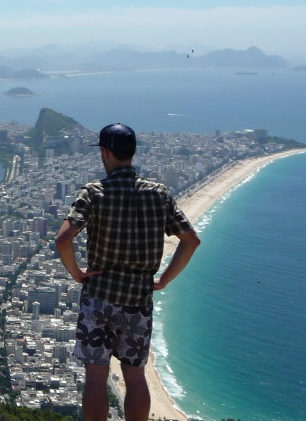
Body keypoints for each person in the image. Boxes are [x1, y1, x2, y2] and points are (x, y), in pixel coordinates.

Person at [55, 123, 201, 421]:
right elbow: (191, 240)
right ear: (132, 153)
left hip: (98, 298)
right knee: (135, 377)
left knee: (96, 377)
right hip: (138, 299)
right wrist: (163, 280)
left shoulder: (94, 193)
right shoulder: (158, 194)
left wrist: (77, 273)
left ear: (105, 153)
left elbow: (63, 239)